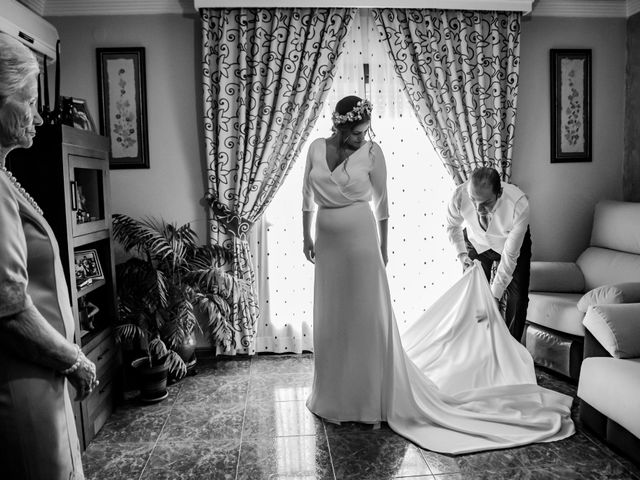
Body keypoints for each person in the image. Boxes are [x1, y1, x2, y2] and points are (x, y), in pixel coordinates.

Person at [302, 95, 574, 454]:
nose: (362, 137)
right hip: (334, 242)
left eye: (365, 131)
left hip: (383, 242)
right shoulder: (317, 148)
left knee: (511, 300)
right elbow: (306, 193)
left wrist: (384, 247)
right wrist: (304, 235)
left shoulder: (517, 205)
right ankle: (334, 393)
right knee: (333, 315)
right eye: (356, 132)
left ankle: (502, 358)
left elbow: (383, 203)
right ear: (339, 126)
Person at [0, 33, 97, 479]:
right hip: (23, 382)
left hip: (42, 372)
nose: (38, 116)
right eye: (29, 101)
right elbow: (10, 310)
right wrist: (74, 358)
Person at [446, 166, 531, 341]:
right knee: (474, 293)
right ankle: (477, 343)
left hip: (509, 245)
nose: (478, 209)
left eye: (485, 204)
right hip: (476, 242)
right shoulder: (459, 196)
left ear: (499, 193)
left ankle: (510, 346)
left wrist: (494, 297)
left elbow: (509, 257)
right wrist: (462, 255)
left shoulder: (518, 205)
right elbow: (452, 226)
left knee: (517, 298)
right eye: (473, 201)